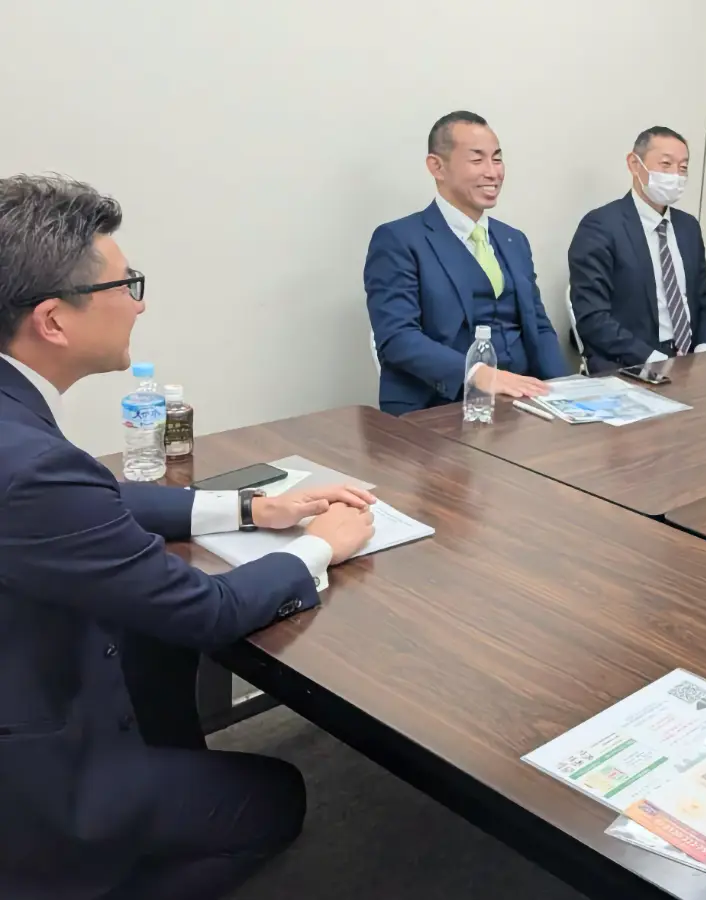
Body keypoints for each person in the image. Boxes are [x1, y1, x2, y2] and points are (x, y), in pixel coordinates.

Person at [0, 175, 378, 899]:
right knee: (277, 797)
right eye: (125, 285)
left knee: (154, 662)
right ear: (53, 321)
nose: (139, 304)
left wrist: (253, 508)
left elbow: (92, 494)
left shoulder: (18, 426)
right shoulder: (32, 466)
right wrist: (321, 547)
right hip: (38, 790)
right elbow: (204, 609)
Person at [366, 110, 567, 415]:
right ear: (437, 166)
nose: (493, 173)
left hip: (524, 403)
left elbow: (538, 326)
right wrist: (479, 375)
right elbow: (397, 337)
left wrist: (565, 389)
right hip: (441, 406)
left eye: (497, 159)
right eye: (477, 160)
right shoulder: (399, 240)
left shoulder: (513, 240)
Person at [569, 126, 706, 372]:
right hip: (631, 363)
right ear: (634, 164)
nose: (676, 175)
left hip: (691, 362)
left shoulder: (688, 227)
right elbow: (592, 319)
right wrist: (653, 360)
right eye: (666, 164)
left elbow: (702, 299)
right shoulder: (600, 227)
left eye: (683, 168)